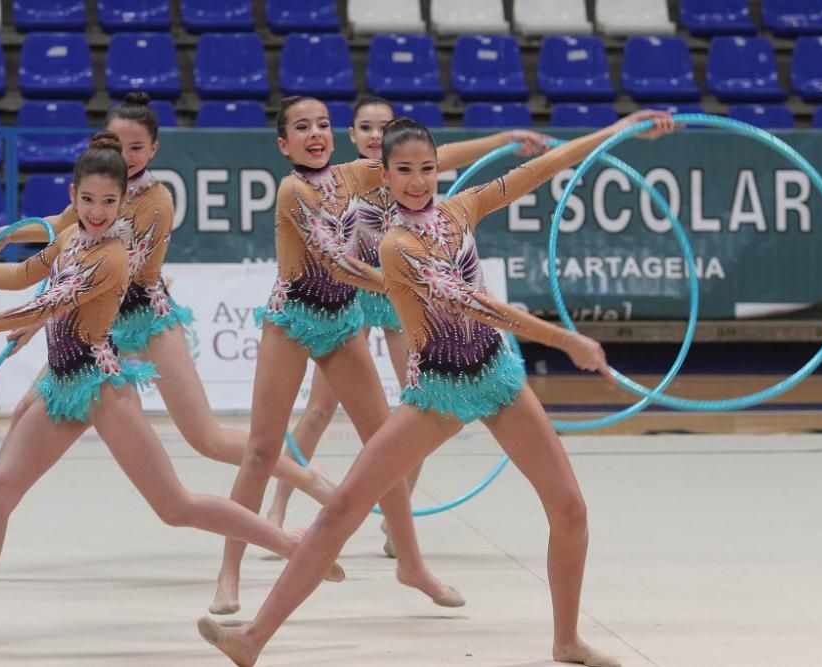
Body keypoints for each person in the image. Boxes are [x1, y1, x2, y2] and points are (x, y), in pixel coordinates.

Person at [197, 110, 677, 667]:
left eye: (428, 168)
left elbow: (545, 167)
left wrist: (621, 128)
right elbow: (469, 302)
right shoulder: (395, 246)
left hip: (496, 378)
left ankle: (566, 639)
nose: (419, 180)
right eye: (404, 171)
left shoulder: (458, 208)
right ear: (385, 174)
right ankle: (251, 639)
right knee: (343, 509)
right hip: (437, 393)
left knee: (570, 508)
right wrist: (562, 338)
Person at [0, 134, 344, 658]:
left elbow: (36, 309)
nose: (97, 212)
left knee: (176, 506)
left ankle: (293, 545)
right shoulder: (72, 237)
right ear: (73, 196)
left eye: (109, 202)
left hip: (100, 387)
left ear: (124, 202)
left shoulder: (113, 257)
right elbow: (26, 273)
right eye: (88, 200)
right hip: (63, 386)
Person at [266, 94, 552, 559]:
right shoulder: (349, 180)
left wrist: (503, 139)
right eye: (366, 127)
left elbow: (449, 157)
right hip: (363, 294)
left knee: (421, 406)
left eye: (384, 127)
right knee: (318, 410)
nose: (376, 135)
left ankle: (397, 518)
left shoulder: (407, 173)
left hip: (406, 302)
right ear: (352, 136)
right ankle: (278, 506)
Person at [210, 97, 460, 617]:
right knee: (260, 451)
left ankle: (411, 563)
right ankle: (228, 572)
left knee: (384, 446)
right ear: (284, 144)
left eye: (321, 124)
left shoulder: (351, 175)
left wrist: (505, 143)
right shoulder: (293, 190)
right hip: (293, 322)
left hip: (342, 325)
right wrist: (404, 285)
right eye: (302, 127)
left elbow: (432, 158)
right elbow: (336, 260)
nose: (315, 133)